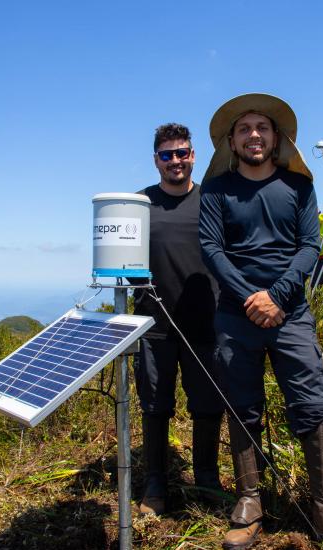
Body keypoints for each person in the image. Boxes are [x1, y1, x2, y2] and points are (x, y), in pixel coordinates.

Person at [200, 93, 323, 550]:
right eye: (244, 129)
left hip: (290, 314)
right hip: (236, 318)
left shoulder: (298, 187)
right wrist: (250, 297)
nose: (254, 135)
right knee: (242, 406)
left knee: (313, 402)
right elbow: (212, 250)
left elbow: (309, 247)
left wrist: (276, 297)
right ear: (232, 142)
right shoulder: (216, 191)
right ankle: (249, 503)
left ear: (276, 138)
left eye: (262, 127)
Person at [132, 123, 224, 516]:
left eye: (182, 152)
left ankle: (206, 477)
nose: (176, 161)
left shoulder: (212, 201)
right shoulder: (137, 204)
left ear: (193, 156)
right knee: (155, 406)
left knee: (207, 406)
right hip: (153, 326)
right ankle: (156, 481)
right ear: (156, 160)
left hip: (207, 322)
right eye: (167, 154)